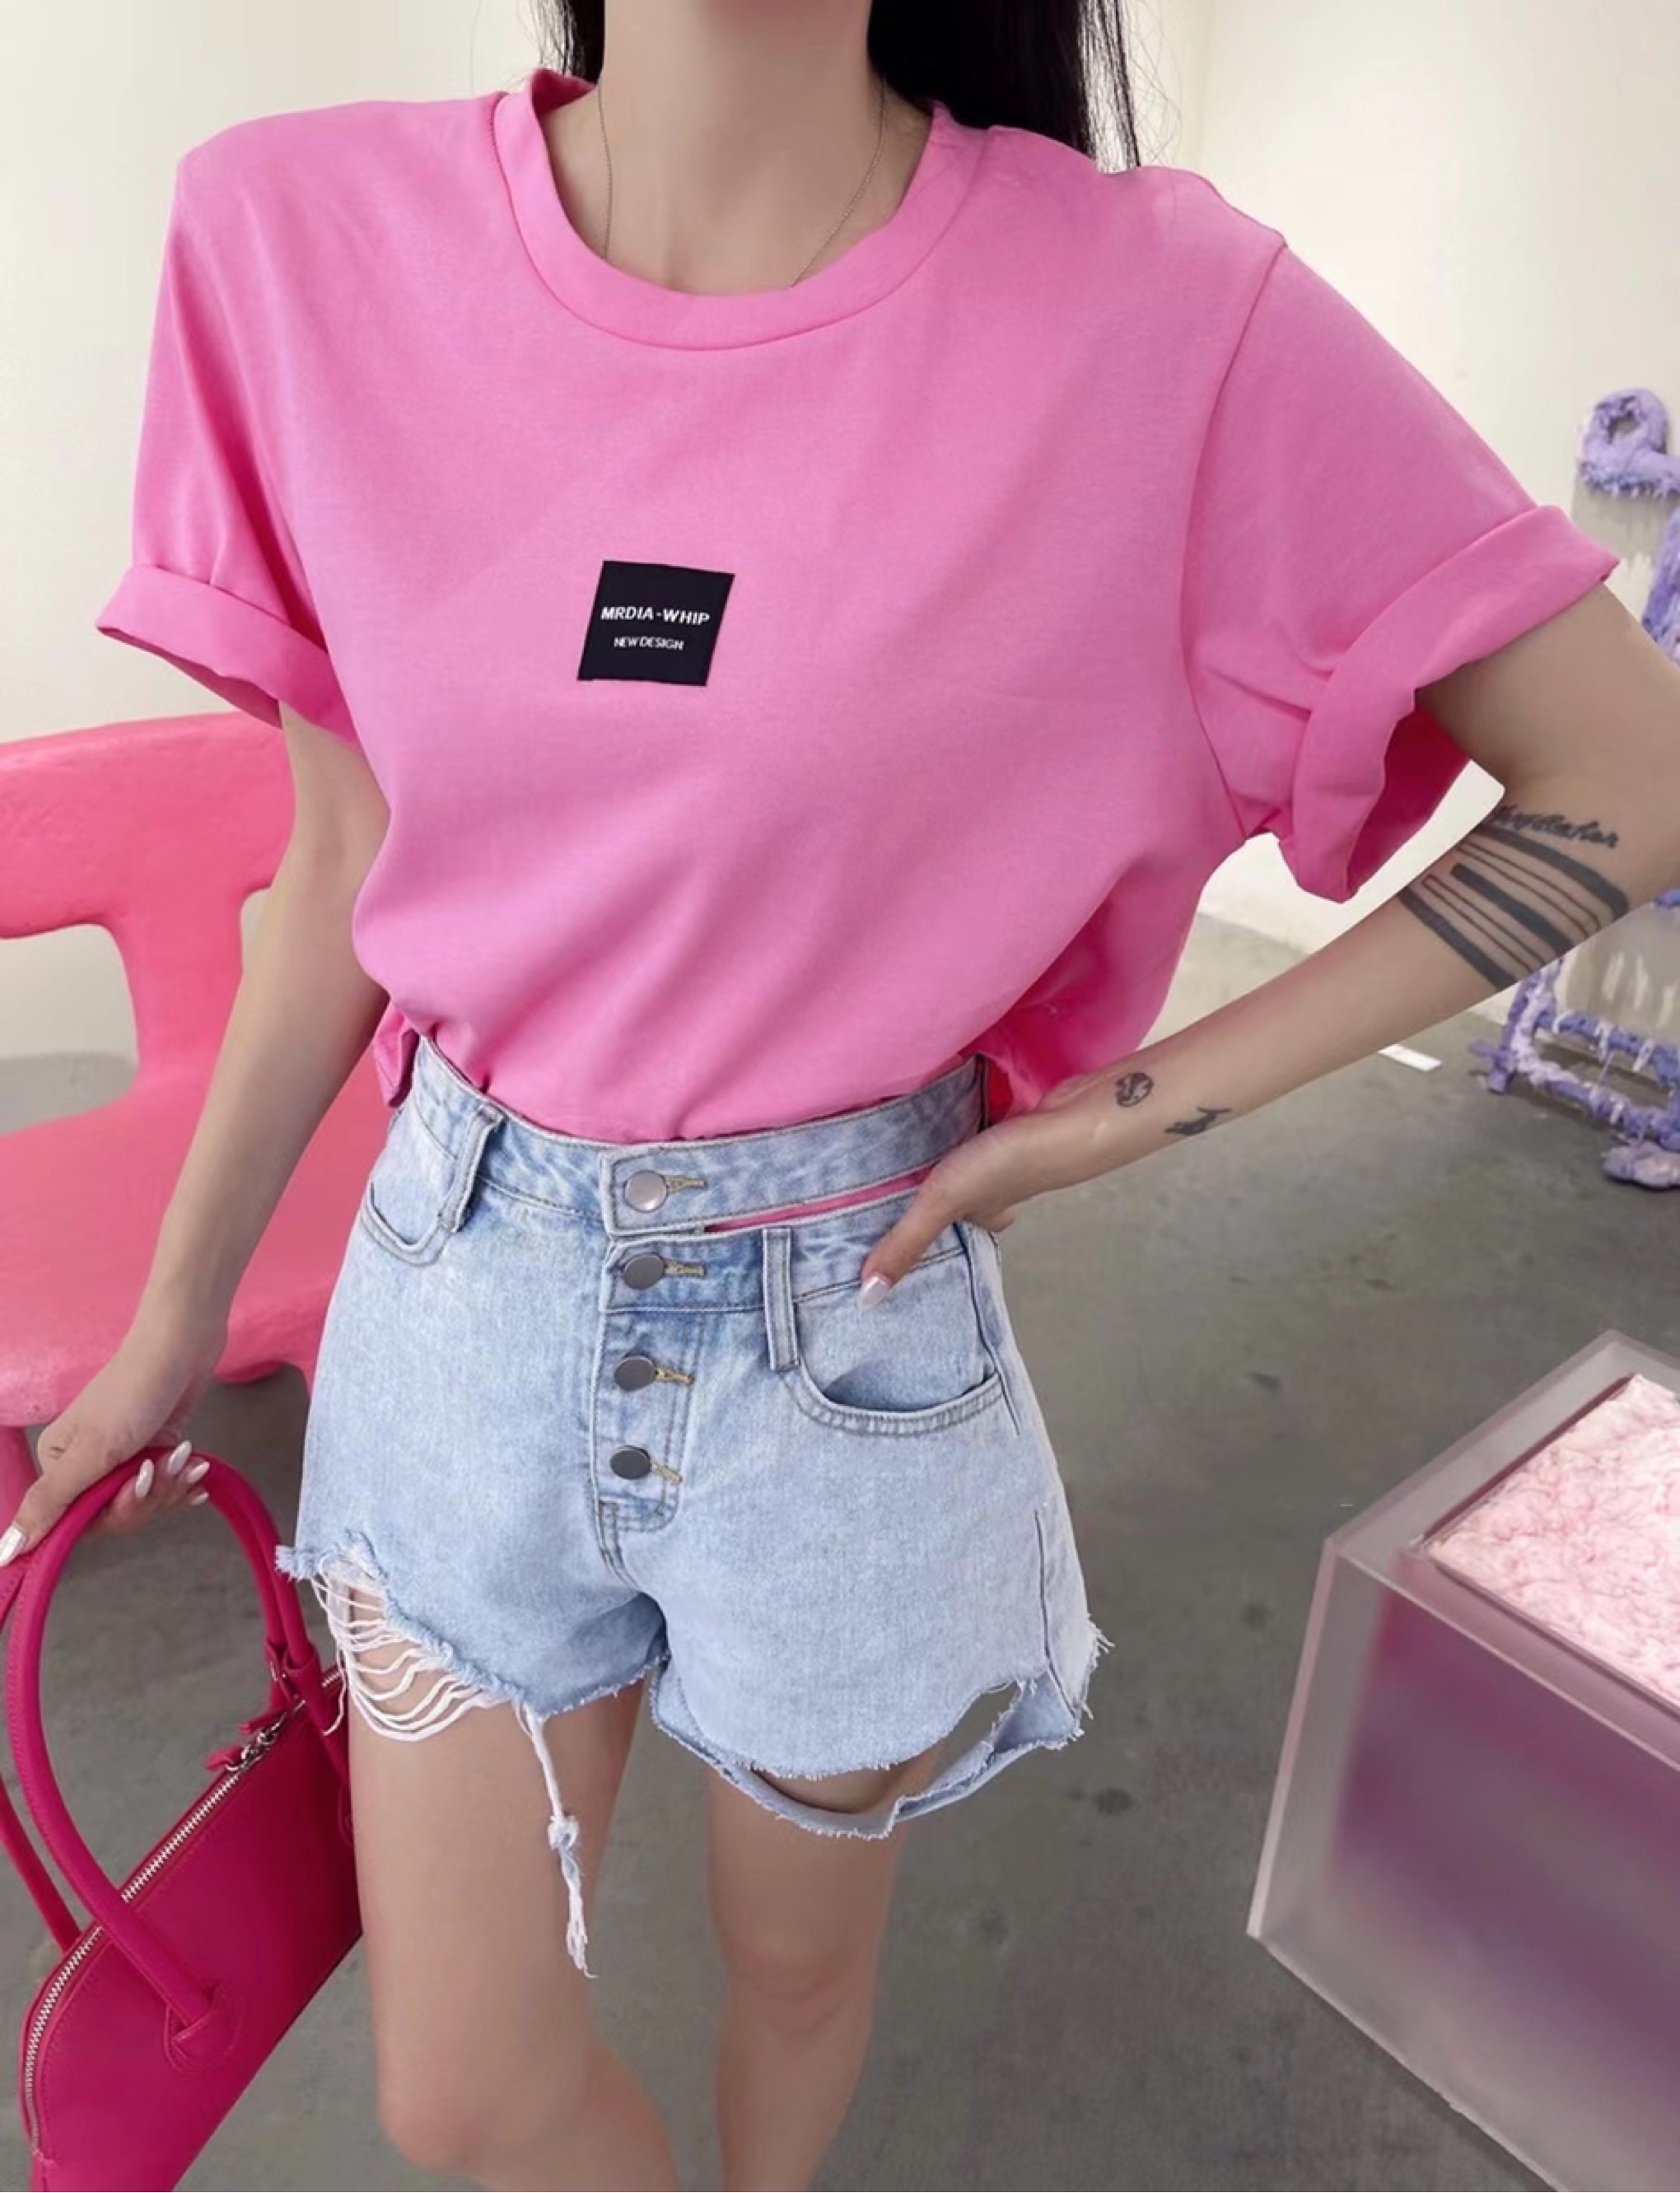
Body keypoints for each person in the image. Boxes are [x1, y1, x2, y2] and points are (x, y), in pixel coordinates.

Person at [12, 2, 1680, 2187]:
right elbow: (343, 859)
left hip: (848, 1323)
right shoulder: (295, 238)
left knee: (794, 1979)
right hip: (460, 1296)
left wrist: (1124, 1110)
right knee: (459, 2089)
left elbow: (1627, 766)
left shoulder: (1162, 318)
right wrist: (173, 1318)